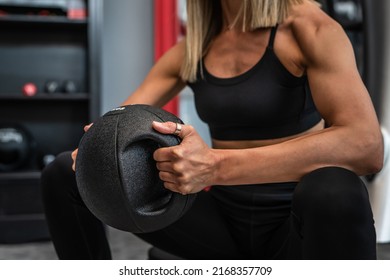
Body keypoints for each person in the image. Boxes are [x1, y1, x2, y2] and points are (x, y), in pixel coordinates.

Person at [41, 0, 383, 260]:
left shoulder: (309, 27)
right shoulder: (193, 49)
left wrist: (213, 166)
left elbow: (365, 146)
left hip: (296, 224)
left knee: (335, 189)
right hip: (221, 226)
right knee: (67, 172)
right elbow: (120, 122)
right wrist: (98, 146)